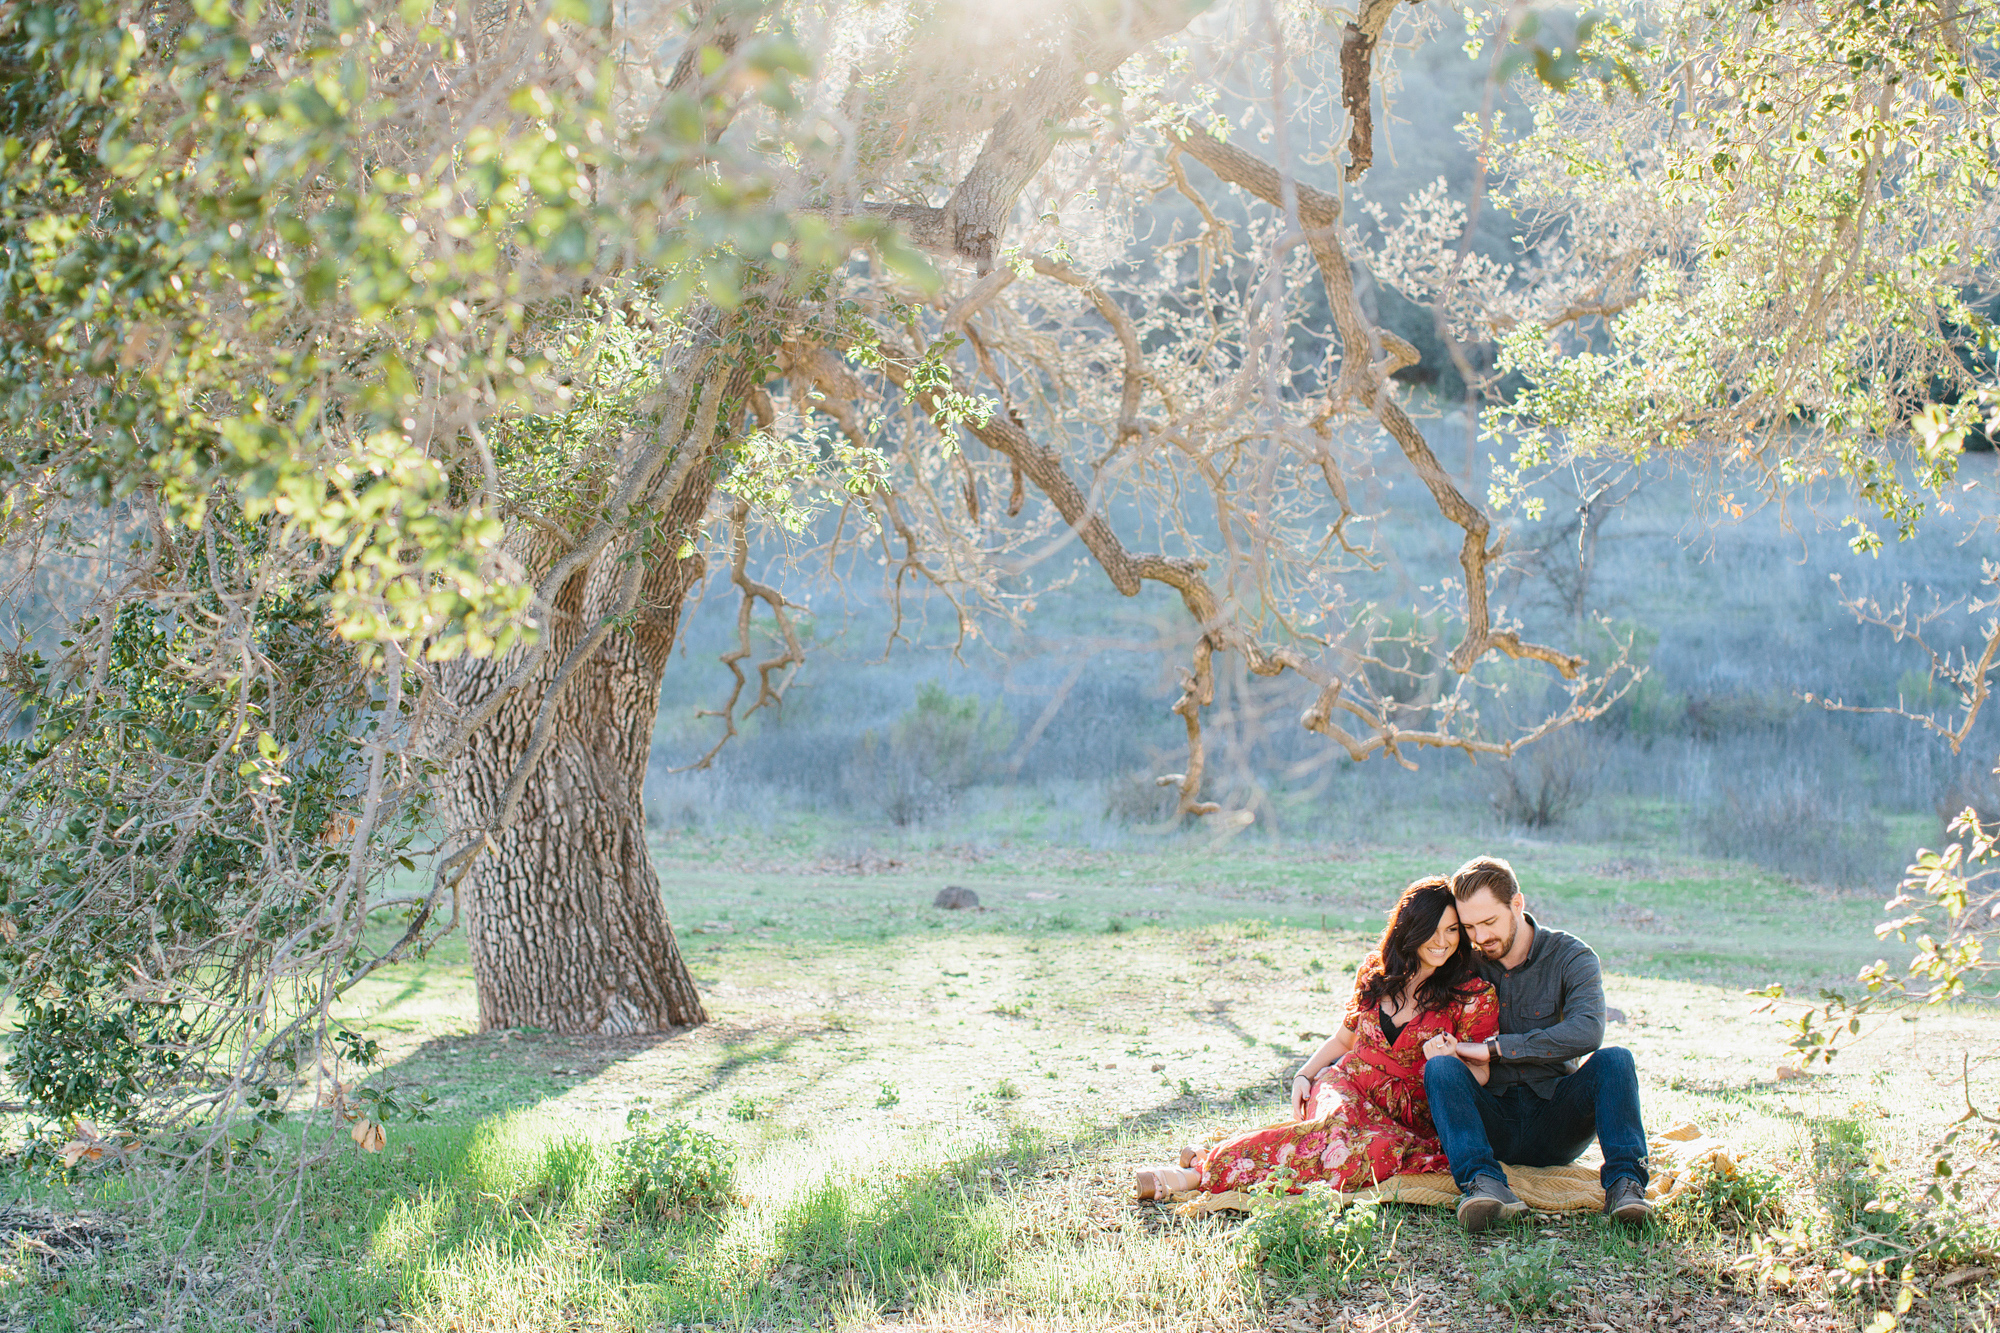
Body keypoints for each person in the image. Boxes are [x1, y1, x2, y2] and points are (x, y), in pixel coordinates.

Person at [1135, 876, 1497, 1200]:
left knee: (1363, 1153)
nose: (1442, 941)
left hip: (1405, 1118)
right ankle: (1197, 1174)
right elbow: (1344, 1041)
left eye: (1452, 930)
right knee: (1332, 1132)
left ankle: (1210, 1157)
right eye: (1432, 928)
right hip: (1347, 1084)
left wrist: (1450, 1057)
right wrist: (1303, 1075)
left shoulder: (1471, 994)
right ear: (1409, 927)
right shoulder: (1376, 972)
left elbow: (1480, 1076)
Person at [1424, 855, 1651, 1231]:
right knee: (1441, 1068)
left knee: (1616, 1060)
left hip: (1556, 1120)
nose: (1480, 937)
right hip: (1487, 1119)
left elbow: (1588, 1030)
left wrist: (1496, 1048)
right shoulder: (1465, 961)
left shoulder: (1572, 957)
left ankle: (1625, 1188)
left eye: (1489, 922)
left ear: (1517, 904)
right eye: (1469, 927)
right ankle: (1483, 1185)